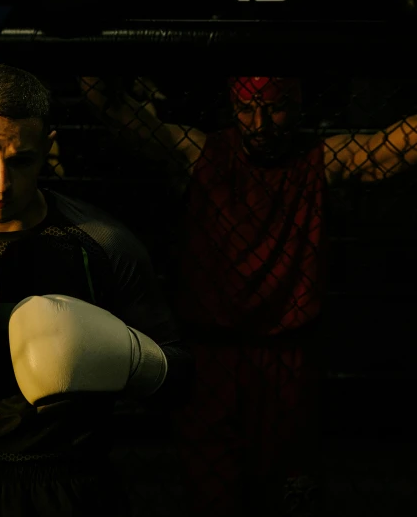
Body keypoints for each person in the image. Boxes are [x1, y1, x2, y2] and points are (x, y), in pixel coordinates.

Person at [80, 75, 417, 516]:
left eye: (273, 108)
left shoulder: (316, 160)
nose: (259, 123)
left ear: (296, 108)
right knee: (215, 495)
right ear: (231, 108)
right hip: (213, 355)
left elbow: (388, 149)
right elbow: (115, 113)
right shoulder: (201, 154)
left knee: (289, 494)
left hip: (288, 355)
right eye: (246, 109)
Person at [0, 64, 195, 517]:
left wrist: (131, 357)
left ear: (47, 149)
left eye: (20, 159)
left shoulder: (103, 244)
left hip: (76, 482)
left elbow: (180, 382)